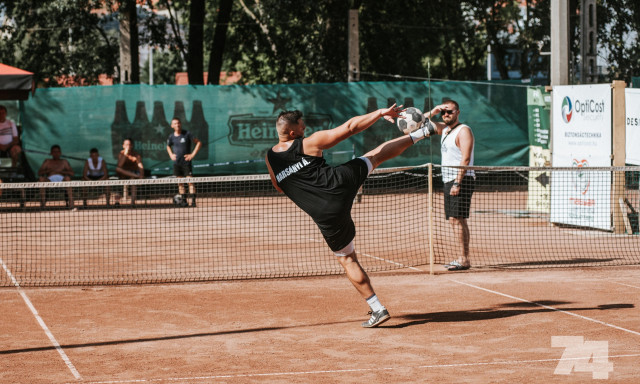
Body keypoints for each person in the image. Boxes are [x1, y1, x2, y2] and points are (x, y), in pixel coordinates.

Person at [265, 105, 434, 328]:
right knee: (376, 156)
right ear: (294, 133)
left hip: (326, 214)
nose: (306, 128)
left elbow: (278, 187)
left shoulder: (270, 158)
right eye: (302, 126)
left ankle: (377, 308)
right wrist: (380, 113)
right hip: (340, 181)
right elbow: (350, 127)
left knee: (347, 259)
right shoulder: (308, 143)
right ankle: (422, 132)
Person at [422, 100, 475, 271]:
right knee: (455, 220)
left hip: (461, 178)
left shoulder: (463, 130)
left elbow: (465, 158)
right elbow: (419, 122)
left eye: (449, 112)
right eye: (443, 113)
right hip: (449, 180)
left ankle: (464, 259)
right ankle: (462, 258)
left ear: (458, 112)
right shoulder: (444, 130)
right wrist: (434, 110)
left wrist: (458, 182)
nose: (446, 115)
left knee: (457, 219)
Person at [166, 117, 201, 207]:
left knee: (190, 182)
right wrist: (171, 155)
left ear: (180, 124)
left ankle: (193, 202)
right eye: (175, 123)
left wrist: (192, 155)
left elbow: (198, 143)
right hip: (177, 163)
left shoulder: (187, 134)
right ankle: (184, 202)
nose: (177, 125)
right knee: (180, 183)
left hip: (186, 163)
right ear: (172, 126)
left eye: (178, 123)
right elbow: (168, 146)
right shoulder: (171, 136)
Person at [115, 138, 144, 205]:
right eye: (126, 145)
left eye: (129, 145)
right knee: (118, 169)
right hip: (123, 175)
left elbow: (140, 165)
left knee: (133, 181)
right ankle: (117, 202)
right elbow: (120, 165)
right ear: (123, 146)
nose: (128, 146)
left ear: (132, 146)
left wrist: (141, 176)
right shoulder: (121, 154)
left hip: (133, 174)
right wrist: (125, 153)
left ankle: (132, 203)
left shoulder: (136, 155)